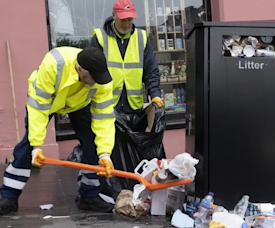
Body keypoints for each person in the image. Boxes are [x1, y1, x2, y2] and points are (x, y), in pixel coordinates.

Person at [0, 46, 116, 214]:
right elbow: (39, 108)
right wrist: (37, 146)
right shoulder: (54, 64)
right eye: (94, 78)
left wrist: (104, 153)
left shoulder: (101, 79)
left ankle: (89, 196)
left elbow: (104, 118)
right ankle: (9, 196)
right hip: (47, 101)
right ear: (79, 70)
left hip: (79, 103)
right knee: (27, 145)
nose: (98, 81)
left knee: (93, 144)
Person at [88, 0, 164, 114]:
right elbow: (90, 71)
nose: (126, 24)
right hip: (106, 106)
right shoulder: (100, 38)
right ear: (113, 15)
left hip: (134, 108)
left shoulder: (141, 38)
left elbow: (151, 71)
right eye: (123, 19)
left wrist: (155, 95)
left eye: (130, 19)